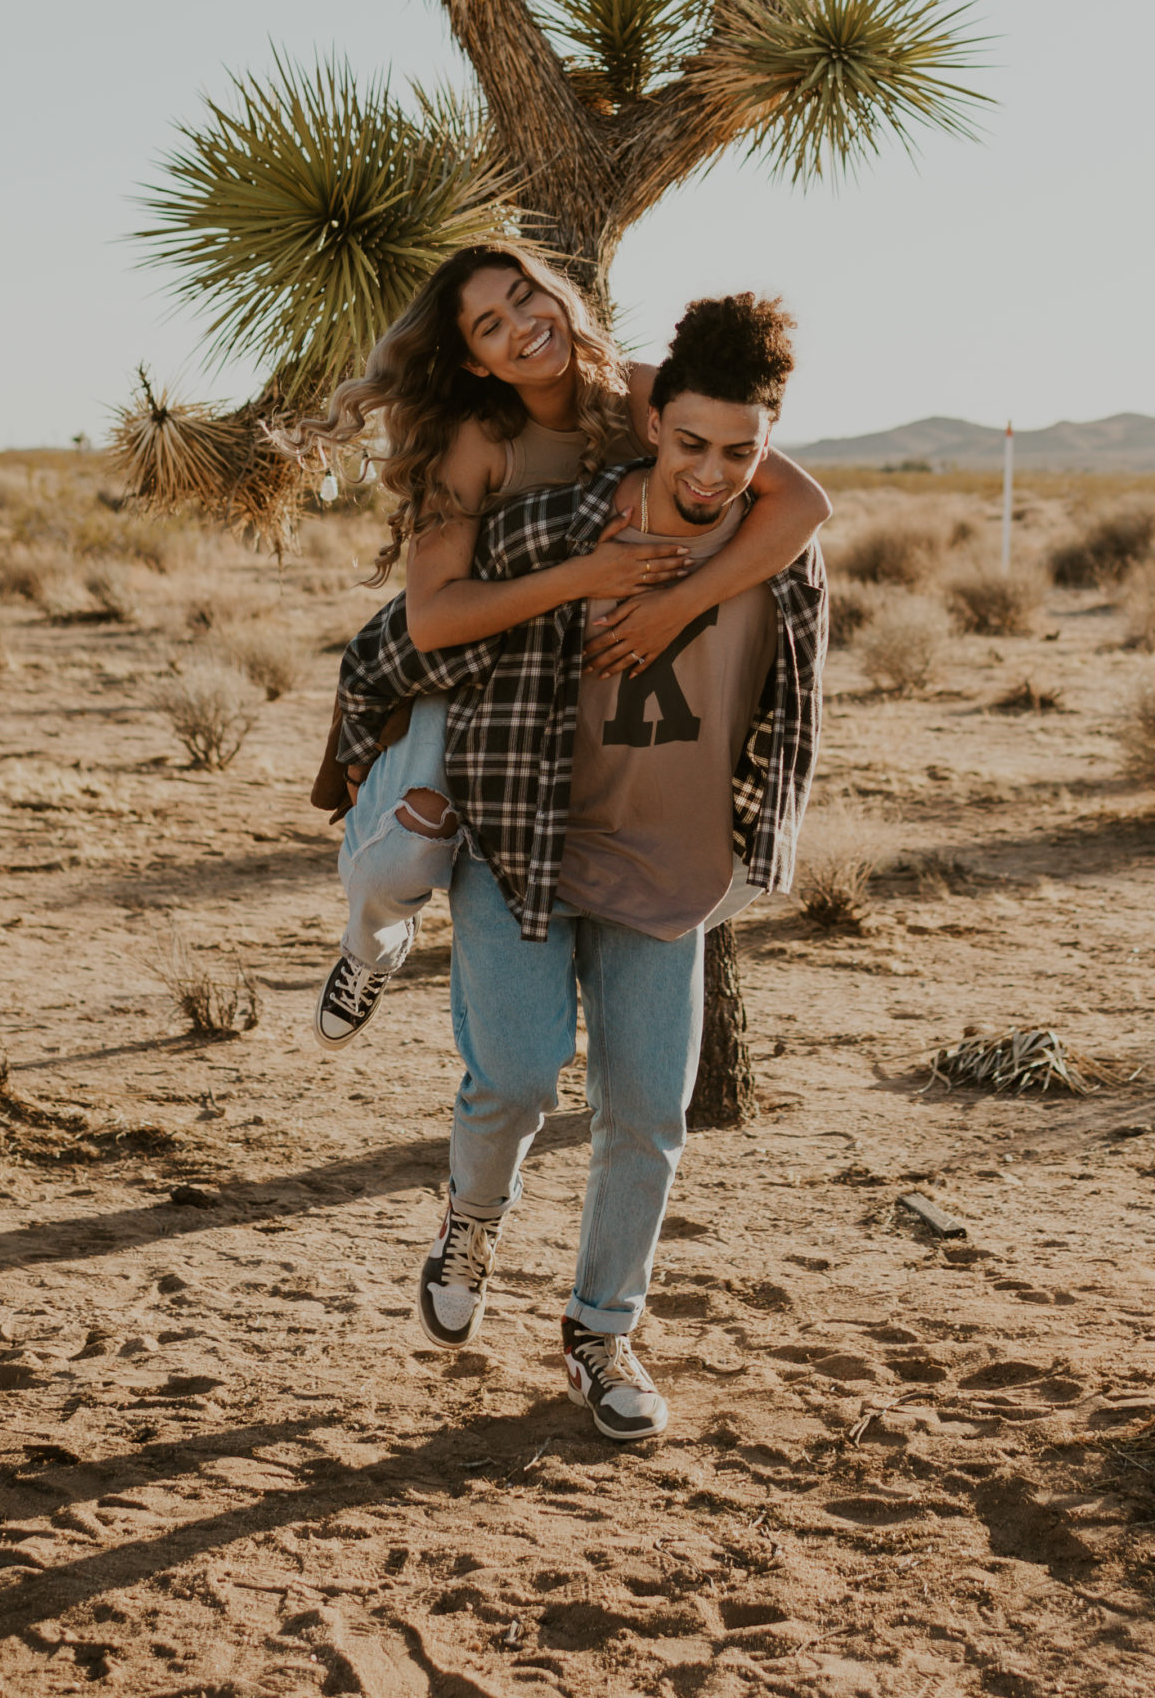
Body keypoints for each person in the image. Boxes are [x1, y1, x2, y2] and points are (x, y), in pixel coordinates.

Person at [334, 294, 827, 1440]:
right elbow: (413, 626)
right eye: (691, 441)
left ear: (766, 443)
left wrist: (677, 607)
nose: (711, 471)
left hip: (674, 869)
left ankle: (599, 1330)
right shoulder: (560, 523)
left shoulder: (782, 556)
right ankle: (472, 1216)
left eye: (738, 451)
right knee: (514, 1075)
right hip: (526, 846)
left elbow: (791, 691)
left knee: (647, 1114)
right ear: (653, 419)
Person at [278, 242, 830, 1049]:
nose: (523, 327)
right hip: (475, 659)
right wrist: (585, 574)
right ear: (472, 361)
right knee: (402, 857)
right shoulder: (475, 441)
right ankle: (370, 947)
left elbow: (802, 504)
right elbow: (434, 619)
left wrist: (672, 608)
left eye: (525, 297)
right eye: (491, 326)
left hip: (573, 672)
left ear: (557, 294)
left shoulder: (637, 391)